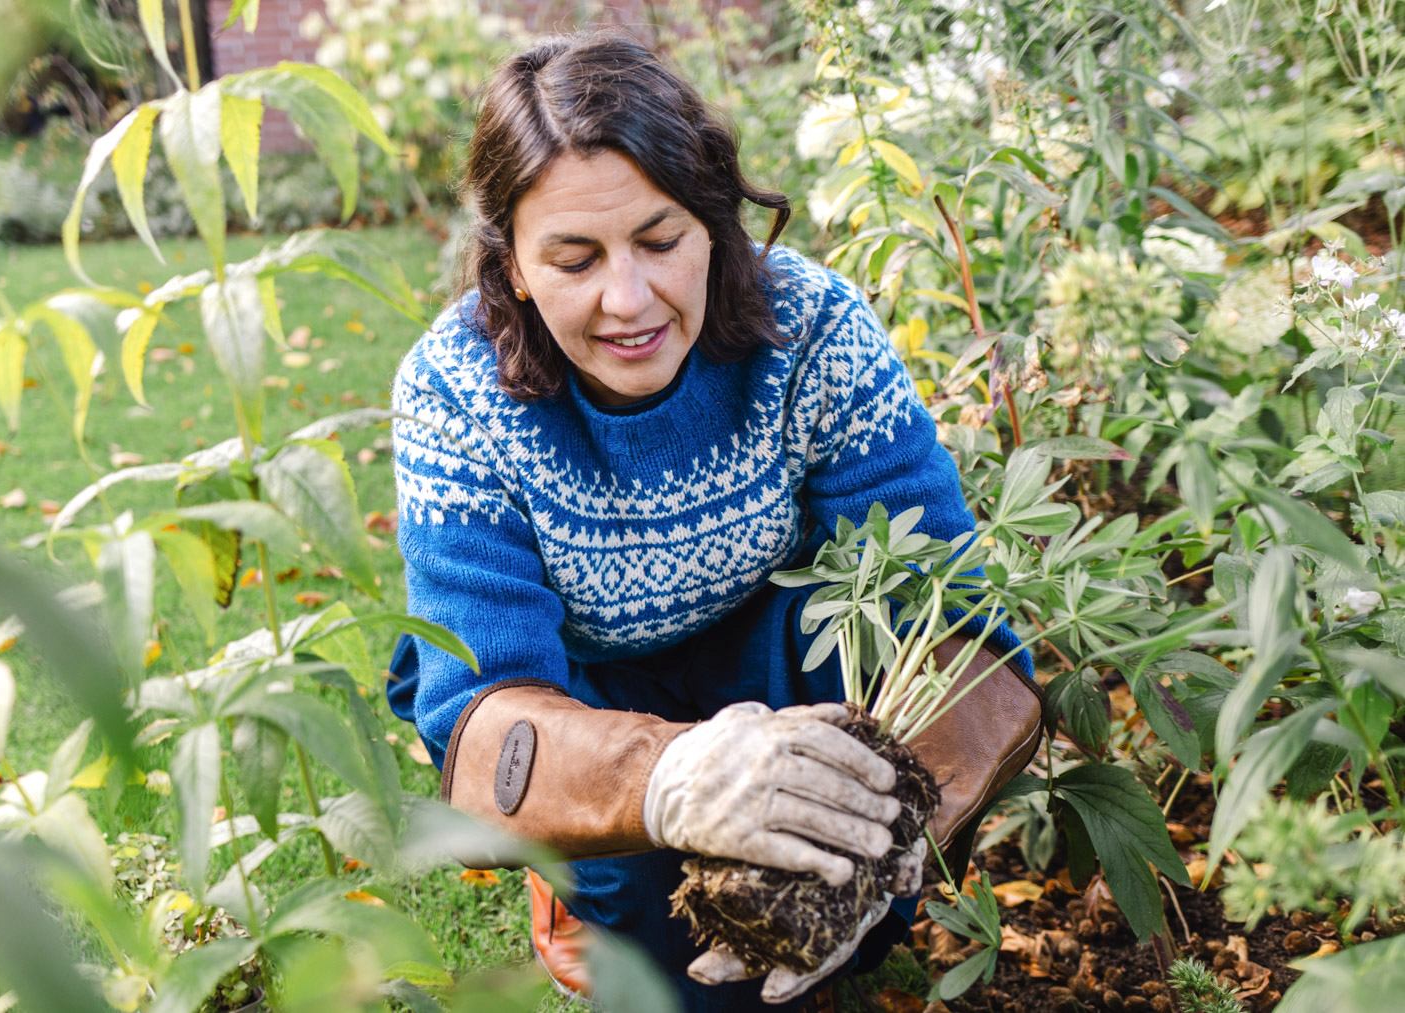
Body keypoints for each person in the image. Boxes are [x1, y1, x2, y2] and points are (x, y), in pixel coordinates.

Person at [384, 33, 1043, 1012]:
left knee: (835, 928)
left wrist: (887, 829)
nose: (627, 298)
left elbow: (956, 625)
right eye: (573, 258)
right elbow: (484, 724)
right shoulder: (453, 390)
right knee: (668, 983)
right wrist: (668, 773)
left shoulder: (812, 326)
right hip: (585, 697)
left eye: (661, 240)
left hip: (782, 650)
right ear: (514, 267)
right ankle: (577, 877)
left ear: (716, 225)